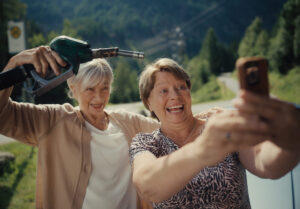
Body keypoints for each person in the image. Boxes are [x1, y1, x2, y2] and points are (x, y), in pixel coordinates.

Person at [0, 46, 160, 209]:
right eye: (90, 89)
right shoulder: (52, 121)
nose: (98, 97)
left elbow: (173, 131)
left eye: (104, 88)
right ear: (73, 89)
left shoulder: (129, 123)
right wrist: (14, 65)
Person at [129, 58, 300, 208]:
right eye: (163, 90)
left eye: (181, 87)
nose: (175, 96)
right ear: (148, 102)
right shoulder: (145, 143)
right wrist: (202, 150)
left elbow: (266, 164)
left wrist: (291, 143)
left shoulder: (221, 126)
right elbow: (147, 187)